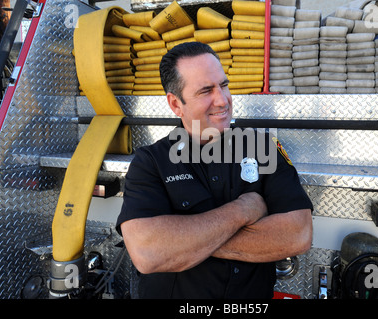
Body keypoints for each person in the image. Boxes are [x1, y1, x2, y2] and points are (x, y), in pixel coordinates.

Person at [116, 42, 313, 299]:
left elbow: (298, 235)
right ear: (176, 104)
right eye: (206, 90)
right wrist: (243, 210)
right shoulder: (150, 162)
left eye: (223, 85)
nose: (222, 100)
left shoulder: (261, 148)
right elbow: (147, 253)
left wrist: (182, 241)